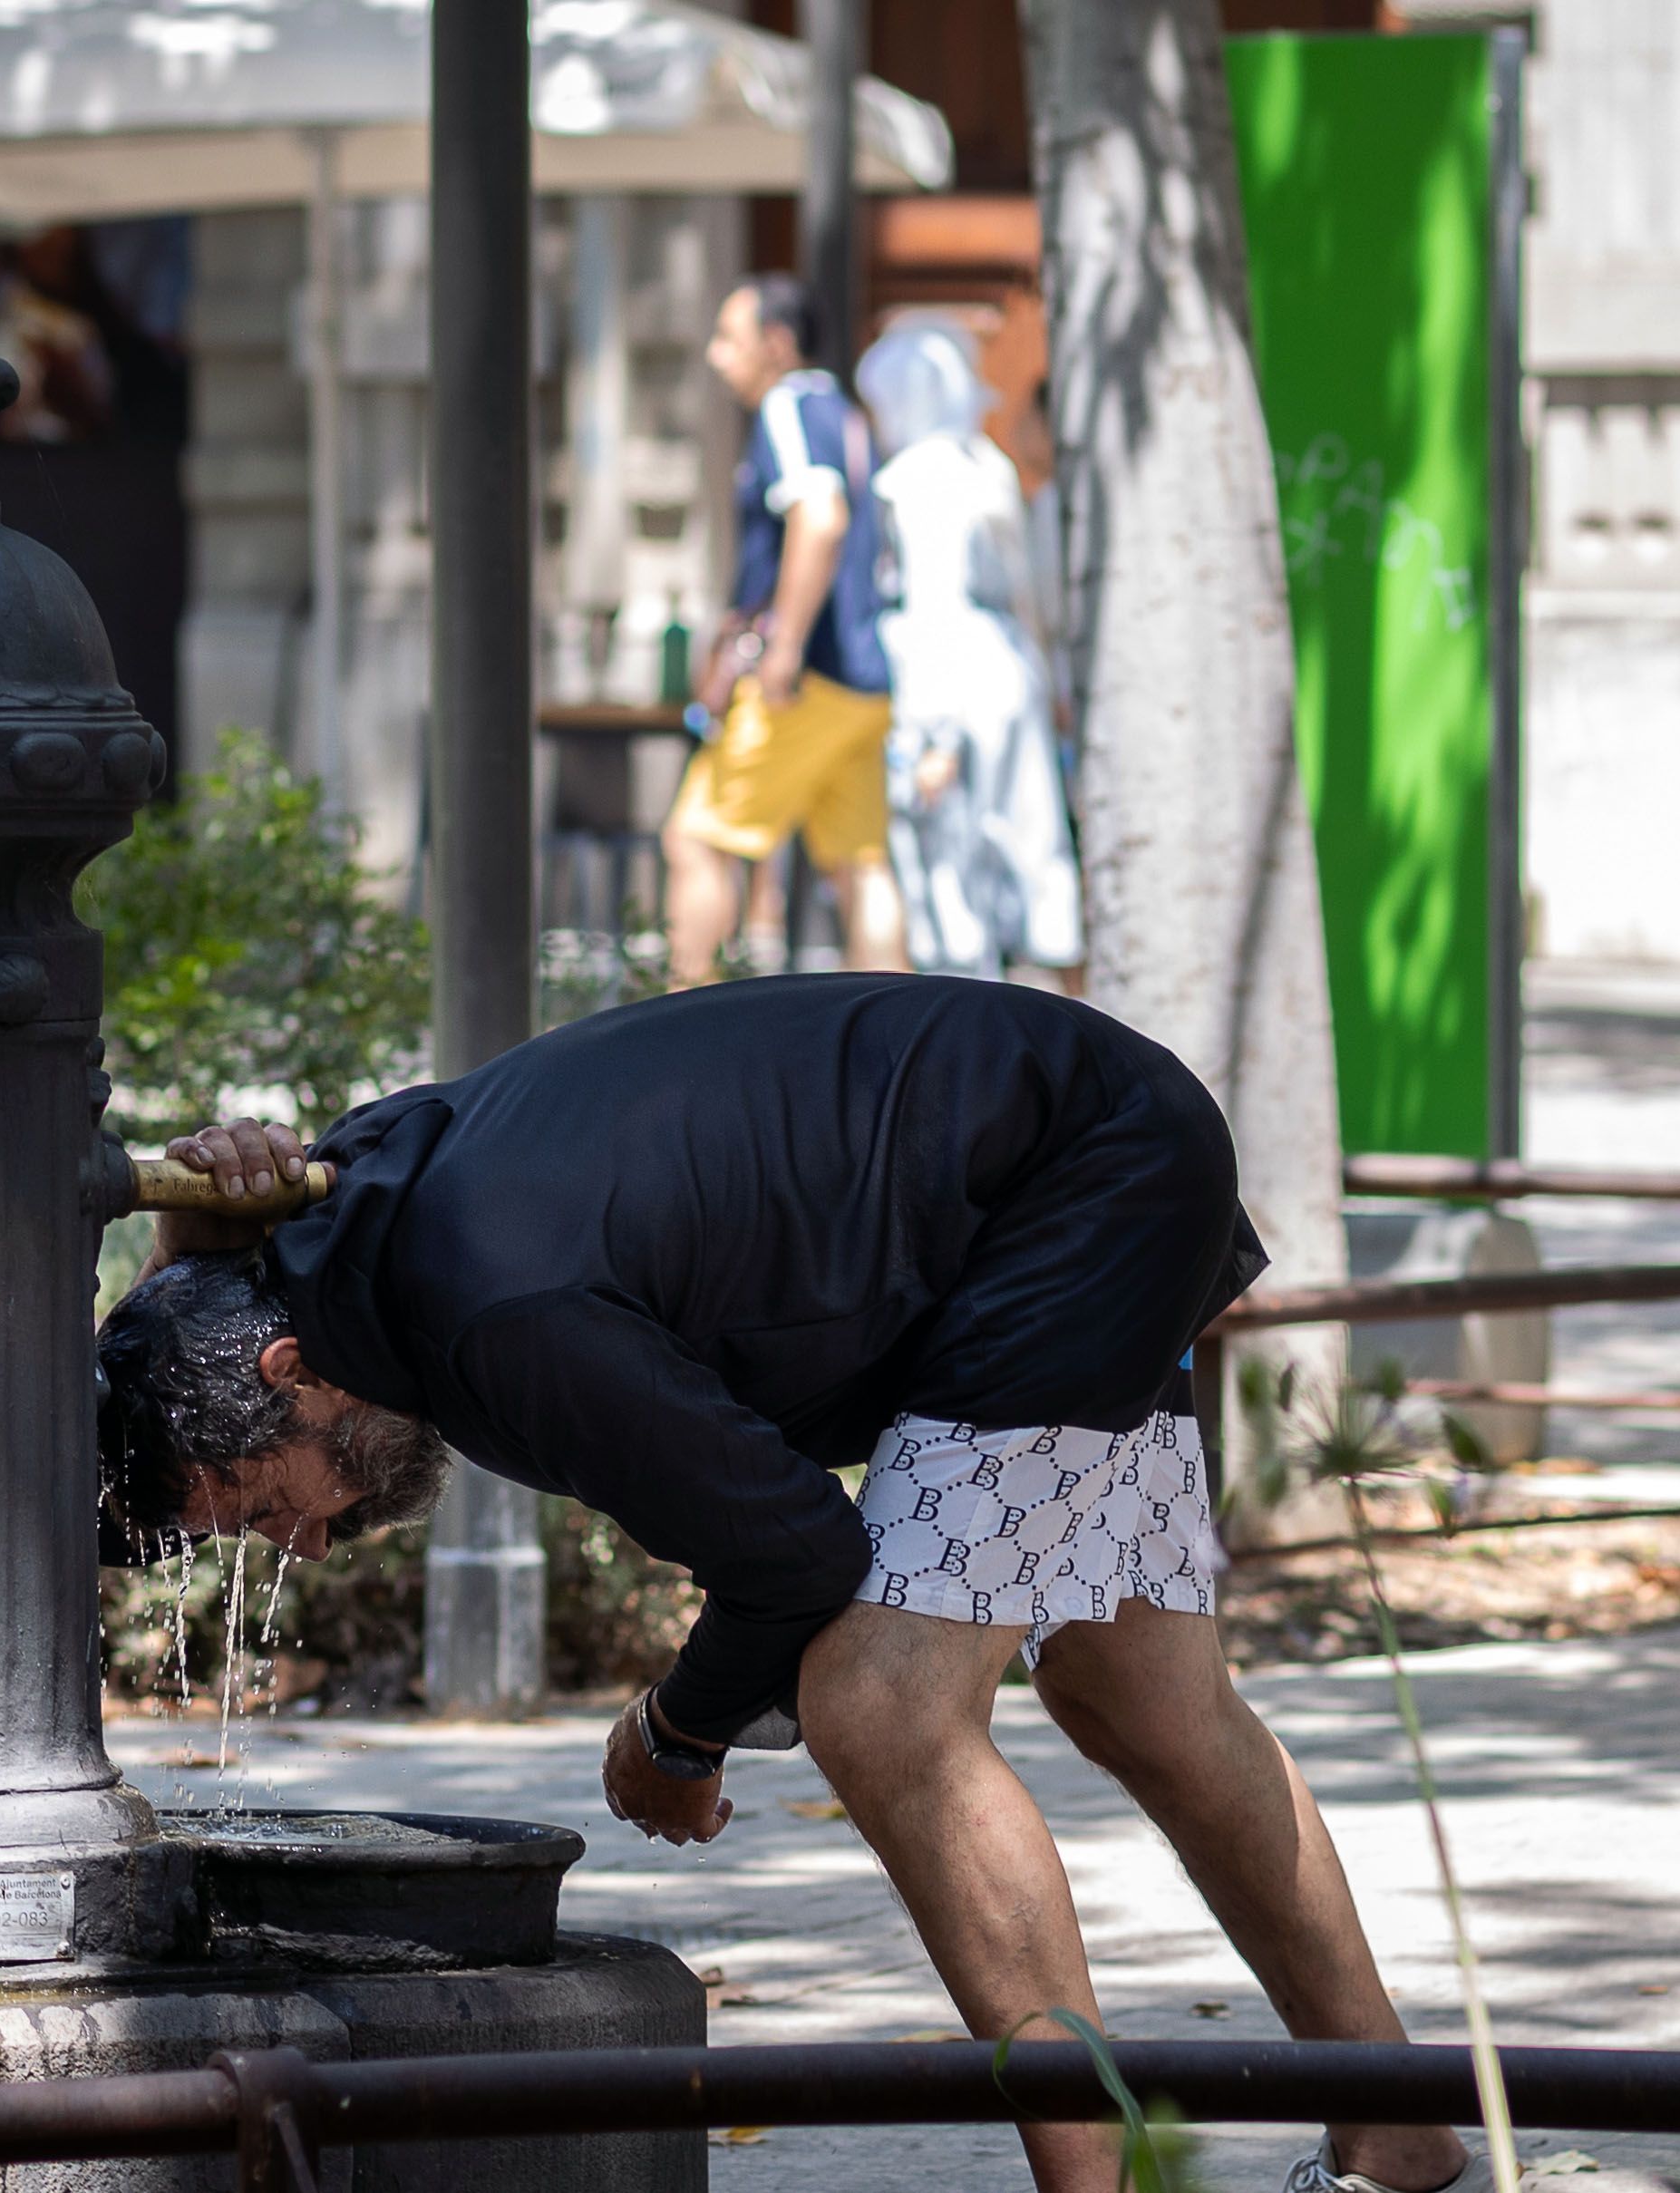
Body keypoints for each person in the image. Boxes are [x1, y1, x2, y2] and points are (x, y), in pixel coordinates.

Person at [98, 975, 1479, 2193]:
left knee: (883, 1707)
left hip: (1069, 1180)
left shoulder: (494, 1311)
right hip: (1076, 1146)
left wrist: (678, 1732)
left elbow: (798, 1552)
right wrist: (184, 1254)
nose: (316, 1545)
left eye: (273, 1508)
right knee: (1144, 1694)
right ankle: (1400, 2132)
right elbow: (221, 1305)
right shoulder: (334, 1239)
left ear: (289, 1376)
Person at [662, 276, 909, 985]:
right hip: (864, 681)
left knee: (696, 841)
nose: (716, 357)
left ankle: (680, 1029)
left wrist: (785, 647)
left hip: (806, 680)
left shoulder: (788, 406)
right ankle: (905, 1041)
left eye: (728, 339)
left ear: (776, 344)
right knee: (861, 863)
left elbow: (820, 516)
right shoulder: (847, 414)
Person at [854, 316, 1085, 987]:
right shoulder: (987, 468)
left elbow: (934, 610)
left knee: (952, 882)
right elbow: (1028, 597)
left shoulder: (913, 482)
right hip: (1014, 682)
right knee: (1029, 858)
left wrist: (934, 736)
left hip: (948, 694)